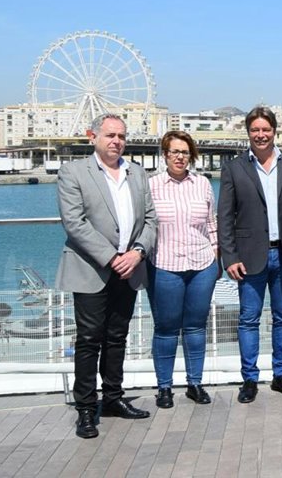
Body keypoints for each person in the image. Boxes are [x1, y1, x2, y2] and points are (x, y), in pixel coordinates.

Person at [56, 114, 156, 438]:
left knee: (117, 337)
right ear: (93, 137)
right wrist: (112, 258)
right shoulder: (73, 172)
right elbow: (74, 223)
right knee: (89, 340)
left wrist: (138, 252)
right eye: (110, 135)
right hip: (91, 269)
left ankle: (113, 398)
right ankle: (86, 409)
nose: (116, 141)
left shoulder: (137, 173)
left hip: (130, 268)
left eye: (121, 136)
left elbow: (151, 220)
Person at [218, 106, 282, 403]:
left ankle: (281, 375)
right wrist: (230, 257)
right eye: (255, 130)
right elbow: (225, 216)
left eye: (266, 129)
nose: (261, 135)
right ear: (248, 133)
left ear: (274, 131)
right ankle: (249, 379)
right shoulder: (234, 168)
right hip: (249, 257)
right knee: (249, 319)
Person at [148, 130, 219, 408]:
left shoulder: (202, 184)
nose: (180, 157)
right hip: (164, 265)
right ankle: (164, 387)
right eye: (174, 152)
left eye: (185, 152)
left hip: (201, 265)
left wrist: (216, 256)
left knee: (196, 328)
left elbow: (211, 223)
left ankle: (195, 383)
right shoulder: (152, 185)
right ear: (165, 154)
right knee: (166, 329)